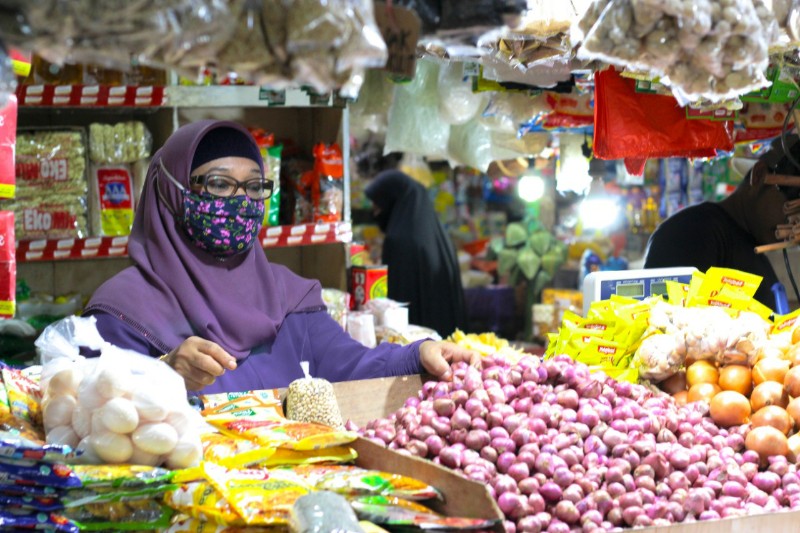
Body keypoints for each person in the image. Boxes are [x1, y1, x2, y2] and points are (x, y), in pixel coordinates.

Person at [83, 120, 479, 393]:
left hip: (285, 499)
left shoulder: (285, 295)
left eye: (254, 186)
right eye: (219, 184)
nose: (240, 201)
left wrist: (419, 353)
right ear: (171, 192)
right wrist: (162, 375)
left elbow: (349, 366)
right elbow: (82, 411)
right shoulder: (123, 312)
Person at [644, 139, 800, 308]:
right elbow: (667, 321)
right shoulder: (692, 232)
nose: (795, 222)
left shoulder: (752, 246)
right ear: (759, 176)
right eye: (793, 206)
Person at [365, 170, 468, 337]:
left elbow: (396, 302)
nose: (375, 212)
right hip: (447, 338)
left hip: (416, 346)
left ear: (393, 202)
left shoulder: (398, 240)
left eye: (378, 205)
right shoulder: (439, 236)